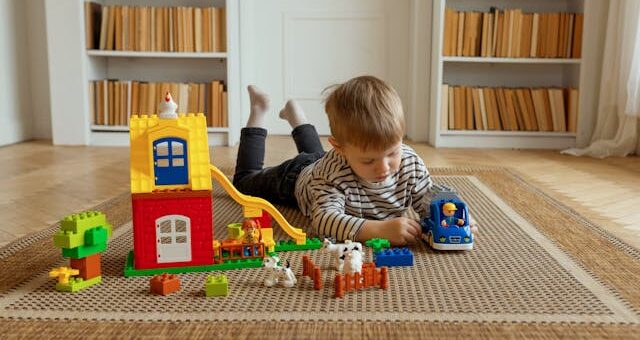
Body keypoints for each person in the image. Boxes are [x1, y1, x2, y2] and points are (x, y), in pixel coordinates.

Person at [233, 76, 475, 246]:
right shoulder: (331, 174)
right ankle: (259, 109)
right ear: (339, 148)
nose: (384, 168)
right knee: (243, 183)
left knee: (318, 155)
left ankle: (296, 115)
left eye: (392, 152)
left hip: (328, 162)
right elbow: (325, 220)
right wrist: (377, 229)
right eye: (369, 161)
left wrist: (450, 220)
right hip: (296, 178)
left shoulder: (411, 164)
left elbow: (426, 200)